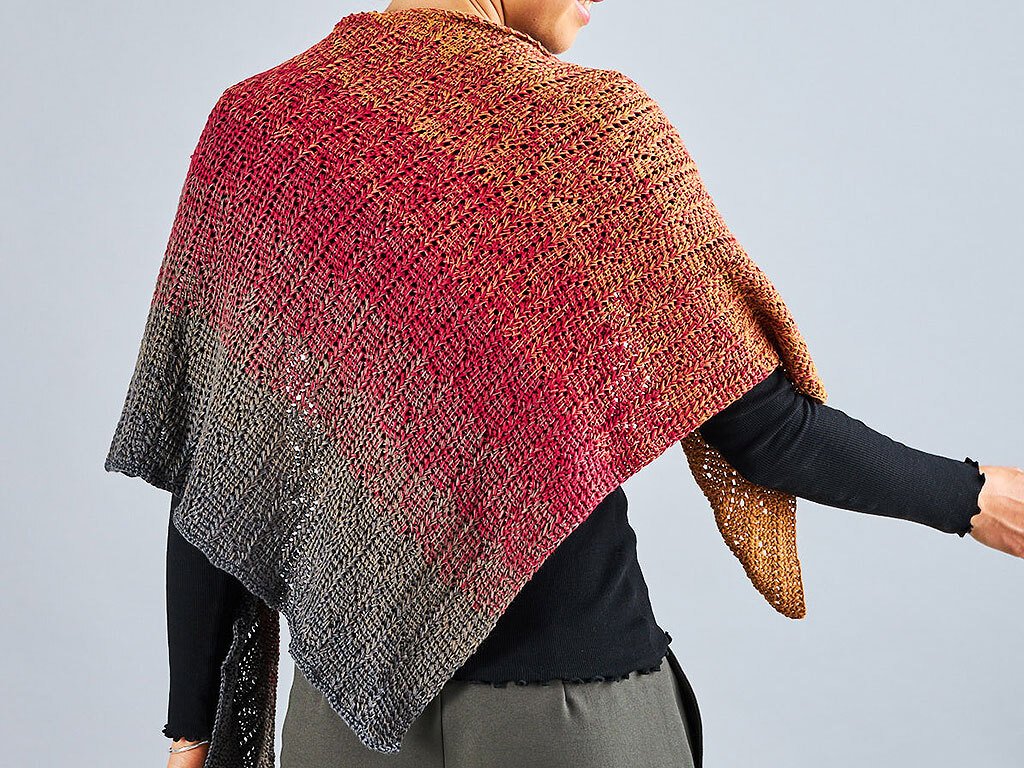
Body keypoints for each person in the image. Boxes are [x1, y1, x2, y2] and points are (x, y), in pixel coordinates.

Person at [135, 2, 1024, 766]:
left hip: (344, 716)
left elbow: (213, 474)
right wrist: (972, 497)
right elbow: (765, 432)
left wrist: (190, 733)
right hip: (571, 717)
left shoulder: (261, 128)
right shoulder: (597, 133)